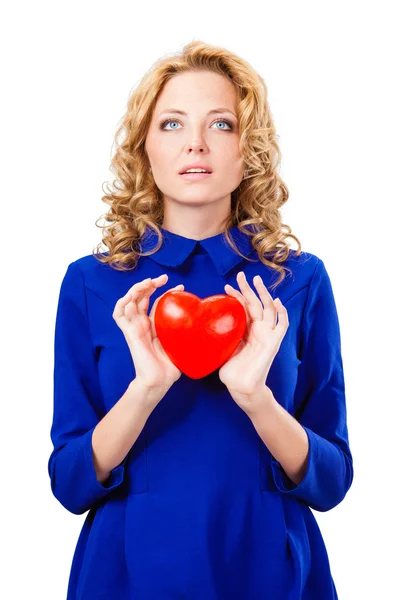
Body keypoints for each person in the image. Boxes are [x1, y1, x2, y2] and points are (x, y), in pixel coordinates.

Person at [48, 40, 354, 599]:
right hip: (127, 576)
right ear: (144, 148)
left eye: (221, 124)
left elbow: (332, 482)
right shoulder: (92, 284)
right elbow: (69, 483)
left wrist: (256, 399)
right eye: (171, 124)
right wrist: (144, 390)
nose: (195, 143)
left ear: (248, 150)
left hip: (269, 572)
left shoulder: (298, 281)